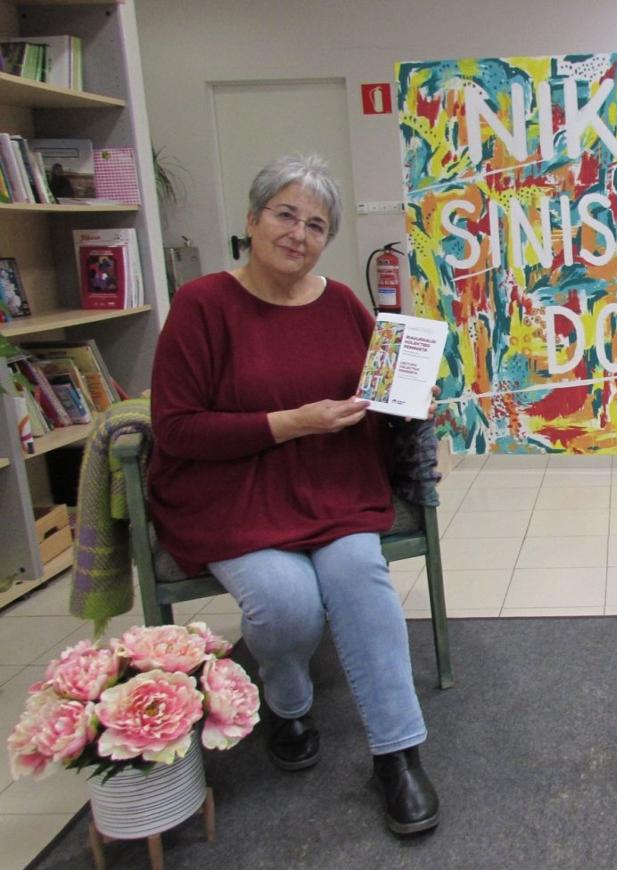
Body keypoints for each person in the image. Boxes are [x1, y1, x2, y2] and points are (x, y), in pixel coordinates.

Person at [147, 154, 440, 836]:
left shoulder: (340, 302)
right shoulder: (201, 307)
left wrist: (411, 397)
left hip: (334, 485)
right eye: (285, 214)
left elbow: (380, 391)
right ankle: (287, 698)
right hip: (232, 494)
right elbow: (175, 428)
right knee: (285, 606)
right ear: (251, 220)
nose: (299, 233)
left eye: (316, 223)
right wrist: (291, 423)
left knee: (361, 578)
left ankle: (398, 754)